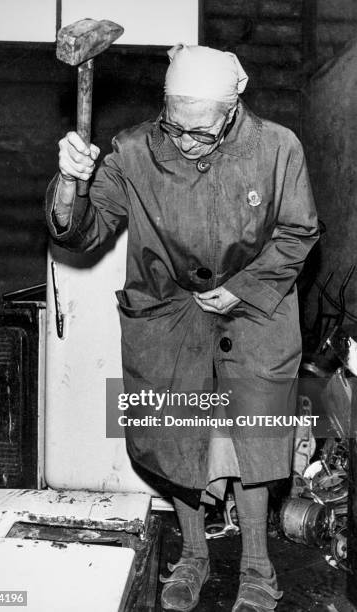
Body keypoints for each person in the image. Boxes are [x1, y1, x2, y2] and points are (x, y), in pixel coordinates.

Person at [46, 44, 319, 612]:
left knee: (254, 436)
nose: (187, 141)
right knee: (179, 433)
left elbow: (299, 232)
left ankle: (257, 568)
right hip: (169, 315)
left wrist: (242, 286)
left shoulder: (277, 147)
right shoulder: (131, 152)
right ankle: (193, 554)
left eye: (204, 132)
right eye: (177, 126)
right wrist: (69, 182)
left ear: (234, 105)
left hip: (255, 310)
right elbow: (83, 233)